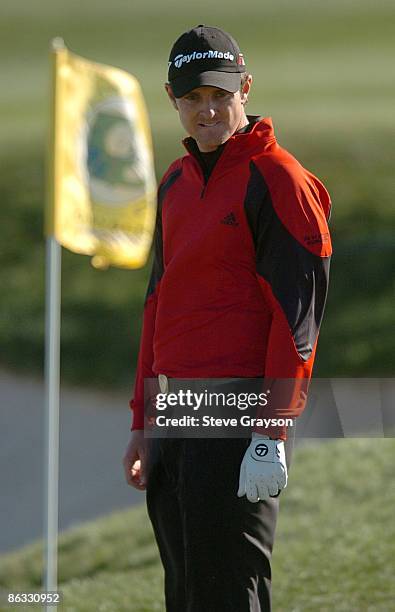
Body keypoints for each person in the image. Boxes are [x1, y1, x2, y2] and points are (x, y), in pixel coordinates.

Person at [123, 24, 332, 612]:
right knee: (186, 591)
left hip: (239, 413)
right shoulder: (173, 183)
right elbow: (156, 305)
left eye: (221, 95)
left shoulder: (280, 180)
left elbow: (298, 321)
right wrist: (143, 419)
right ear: (173, 98)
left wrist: (272, 430)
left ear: (246, 87)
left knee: (228, 592)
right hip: (175, 412)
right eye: (193, 99)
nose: (208, 110)